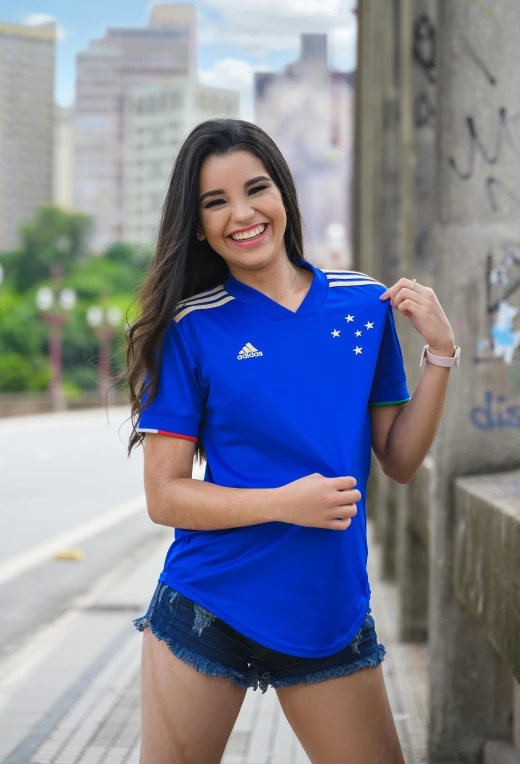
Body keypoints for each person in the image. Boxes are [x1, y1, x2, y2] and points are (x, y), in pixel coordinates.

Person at [126, 118, 458, 764]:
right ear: (197, 226)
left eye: (256, 189)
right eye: (215, 202)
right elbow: (163, 496)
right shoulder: (190, 330)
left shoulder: (363, 307)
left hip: (327, 609)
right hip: (208, 608)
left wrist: (441, 356)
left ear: (284, 195)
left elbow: (398, 459)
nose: (241, 213)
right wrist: (284, 502)